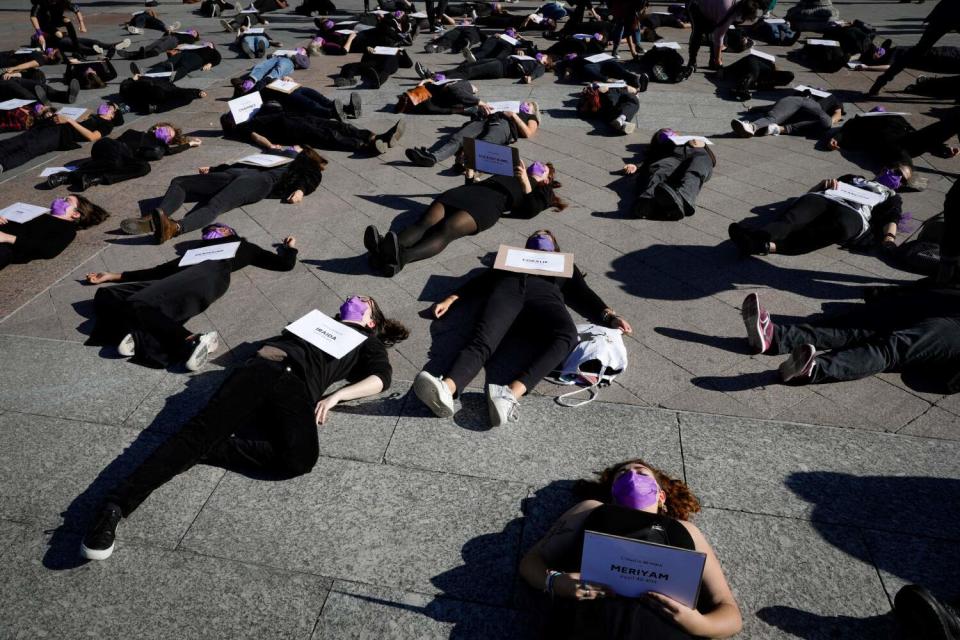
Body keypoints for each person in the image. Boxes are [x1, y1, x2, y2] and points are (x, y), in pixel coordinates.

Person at [79, 294, 409, 561]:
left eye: (364, 300)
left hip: (296, 388)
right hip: (261, 369)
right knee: (197, 433)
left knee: (300, 458)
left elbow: (380, 379)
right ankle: (114, 505)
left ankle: (210, 448)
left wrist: (337, 396)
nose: (354, 297)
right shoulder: (318, 321)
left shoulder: (367, 339)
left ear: (371, 319)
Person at [413, 230, 632, 426]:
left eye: (547, 236)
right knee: (483, 340)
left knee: (567, 335)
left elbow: (584, 294)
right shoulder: (509, 261)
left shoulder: (564, 265)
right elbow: (481, 281)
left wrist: (610, 316)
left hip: (545, 297)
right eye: (536, 236)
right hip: (508, 292)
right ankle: (446, 388)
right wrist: (450, 299)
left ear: (555, 248)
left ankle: (509, 394)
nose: (541, 236)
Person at [519, 459, 743, 638]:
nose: (632, 475)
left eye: (642, 473)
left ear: (661, 496)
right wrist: (556, 582)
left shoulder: (687, 530)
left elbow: (729, 613)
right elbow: (531, 561)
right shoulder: (591, 510)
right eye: (623, 474)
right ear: (613, 493)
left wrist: (699, 624)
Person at [84, 224, 297, 369]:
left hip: (209, 273)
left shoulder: (244, 247)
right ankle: (139, 333)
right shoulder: (192, 253)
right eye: (206, 232)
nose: (209, 233)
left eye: (215, 229)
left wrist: (289, 249)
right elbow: (159, 271)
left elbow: (284, 265)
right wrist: (113, 276)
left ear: (228, 231)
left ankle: (192, 340)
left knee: (138, 303)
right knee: (107, 294)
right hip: (175, 280)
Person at [364, 159, 566, 275]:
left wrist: (525, 181)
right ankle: (383, 250)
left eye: (543, 168)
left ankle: (401, 258)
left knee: (446, 231)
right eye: (536, 163)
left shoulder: (544, 191)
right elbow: (482, 184)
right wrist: (470, 175)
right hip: (465, 194)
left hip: (486, 207)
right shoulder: (511, 169)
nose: (537, 165)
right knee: (425, 222)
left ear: (548, 179)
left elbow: (530, 211)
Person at [739, 291, 960, 391]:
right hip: (949, 301)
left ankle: (813, 369)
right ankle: (774, 337)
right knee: (859, 325)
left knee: (892, 347)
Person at [120, 148, 328, 244]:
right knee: (180, 182)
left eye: (297, 147)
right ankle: (155, 218)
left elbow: (310, 178)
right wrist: (213, 169)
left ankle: (174, 228)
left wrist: (301, 190)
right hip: (236, 173)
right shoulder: (279, 154)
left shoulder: (303, 163)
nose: (291, 146)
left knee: (215, 204)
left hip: (258, 182)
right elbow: (247, 163)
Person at [728, 170, 907, 257]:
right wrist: (822, 184)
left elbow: (892, 217)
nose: (894, 173)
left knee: (831, 230)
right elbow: (809, 193)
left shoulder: (891, 195)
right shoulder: (853, 177)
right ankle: (759, 238)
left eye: (900, 176)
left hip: (855, 213)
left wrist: (889, 239)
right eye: (893, 169)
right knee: (792, 218)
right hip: (827, 198)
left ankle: (762, 245)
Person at [46, 123, 202, 191]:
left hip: (122, 159)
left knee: (144, 167)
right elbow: (119, 144)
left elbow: (169, 151)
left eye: (169, 136)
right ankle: (68, 176)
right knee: (115, 156)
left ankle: (97, 179)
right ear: (157, 127)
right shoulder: (134, 132)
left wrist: (189, 144)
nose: (167, 133)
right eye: (166, 130)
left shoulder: (161, 147)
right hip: (108, 146)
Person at [405, 100, 539, 167]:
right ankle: (432, 157)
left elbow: (528, 133)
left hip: (505, 125)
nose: (524, 103)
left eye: (528, 104)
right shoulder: (510, 104)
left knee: (486, 142)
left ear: (533, 110)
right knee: (457, 138)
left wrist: (514, 116)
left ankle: (467, 164)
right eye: (524, 102)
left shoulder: (530, 117)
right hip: (486, 119)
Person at [0, 101, 121, 174]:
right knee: (19, 140)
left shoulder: (107, 125)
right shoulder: (91, 114)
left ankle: (2, 165)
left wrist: (69, 121)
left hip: (61, 135)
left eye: (111, 106)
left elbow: (92, 137)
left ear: (113, 115)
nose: (106, 105)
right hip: (50, 125)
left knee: (30, 148)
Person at [869, 0, 960, 95]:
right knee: (918, 51)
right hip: (948, 12)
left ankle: (882, 80)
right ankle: (882, 80)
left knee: (918, 51)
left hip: (946, 10)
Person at [221, 108, 404, 155]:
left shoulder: (250, 118)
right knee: (327, 135)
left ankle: (377, 137)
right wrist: (270, 146)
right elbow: (255, 136)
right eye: (231, 116)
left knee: (339, 125)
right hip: (289, 129)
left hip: (296, 118)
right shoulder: (242, 127)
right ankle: (366, 146)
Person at [626, 128, 716, 220]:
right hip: (673, 159)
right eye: (664, 135)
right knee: (660, 169)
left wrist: (703, 145)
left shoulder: (693, 142)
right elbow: (652, 158)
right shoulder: (664, 149)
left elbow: (712, 160)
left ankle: (684, 197)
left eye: (671, 132)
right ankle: (647, 201)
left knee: (697, 168)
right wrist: (636, 166)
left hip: (697, 156)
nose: (670, 135)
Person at [0, 195, 109, 270]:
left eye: (67, 200)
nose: (61, 199)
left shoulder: (67, 230)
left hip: (5, 248)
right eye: (63, 197)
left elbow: (49, 250)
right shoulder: (38, 214)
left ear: (75, 214)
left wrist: (8, 238)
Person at [826, 108, 960, 167]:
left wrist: (941, 149)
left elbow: (920, 136)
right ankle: (903, 173)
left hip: (907, 142)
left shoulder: (896, 118)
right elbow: (848, 128)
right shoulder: (863, 120)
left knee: (953, 121)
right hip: (890, 144)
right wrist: (837, 138)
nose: (880, 110)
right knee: (899, 155)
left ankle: (903, 172)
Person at [687, 0, 769, 71]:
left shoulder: (739, 4)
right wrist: (719, 60)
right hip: (697, 6)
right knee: (698, 33)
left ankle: (713, 61)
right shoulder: (728, 12)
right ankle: (692, 61)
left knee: (714, 32)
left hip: (713, 7)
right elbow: (718, 37)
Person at [731, 91, 843, 138]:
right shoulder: (806, 89)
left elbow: (838, 114)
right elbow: (781, 105)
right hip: (798, 102)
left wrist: (830, 121)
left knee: (827, 122)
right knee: (774, 117)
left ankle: (779, 129)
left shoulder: (832, 97)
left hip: (813, 109)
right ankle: (751, 127)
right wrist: (757, 108)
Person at [719, 52, 794, 100]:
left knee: (753, 73)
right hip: (751, 62)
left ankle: (741, 89)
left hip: (749, 69)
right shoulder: (771, 69)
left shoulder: (768, 84)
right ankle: (741, 89)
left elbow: (758, 84)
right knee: (754, 71)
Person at [119, 75, 207, 114]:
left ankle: (155, 107)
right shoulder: (133, 86)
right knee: (179, 95)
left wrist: (134, 79)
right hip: (156, 92)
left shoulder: (133, 85)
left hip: (157, 91)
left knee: (179, 95)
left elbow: (124, 87)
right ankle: (156, 107)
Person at [334, 47, 413, 89]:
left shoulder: (397, 54)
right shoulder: (379, 47)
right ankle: (348, 79)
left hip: (388, 63)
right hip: (375, 62)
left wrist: (403, 51)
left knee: (385, 68)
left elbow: (409, 64)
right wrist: (368, 50)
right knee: (348, 66)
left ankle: (378, 81)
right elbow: (364, 60)